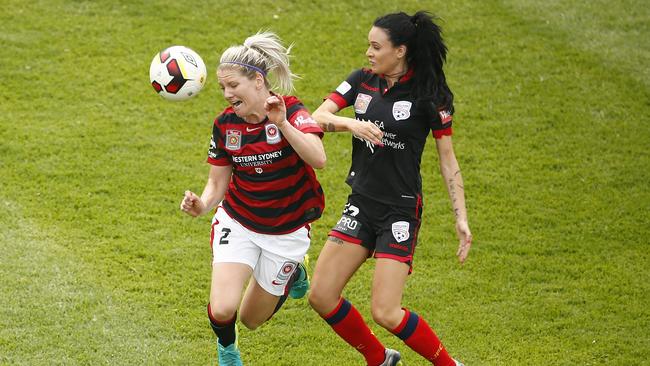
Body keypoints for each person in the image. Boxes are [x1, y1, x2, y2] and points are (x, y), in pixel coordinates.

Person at [308, 11, 472, 366]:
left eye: (375, 46)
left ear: (400, 51)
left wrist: (461, 218)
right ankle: (380, 359)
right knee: (321, 295)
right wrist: (352, 124)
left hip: (399, 210)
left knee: (386, 311)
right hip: (361, 204)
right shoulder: (361, 81)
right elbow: (316, 118)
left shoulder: (430, 96)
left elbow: (448, 160)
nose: (368, 52)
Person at [180, 31, 326, 366]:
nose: (227, 94)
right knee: (223, 308)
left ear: (258, 80)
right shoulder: (225, 125)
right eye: (222, 88)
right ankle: (228, 351)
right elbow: (217, 184)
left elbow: (318, 158)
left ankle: (295, 273)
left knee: (251, 319)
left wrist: (284, 124)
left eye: (233, 85)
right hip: (240, 221)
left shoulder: (291, 110)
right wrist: (202, 204)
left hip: (287, 232)